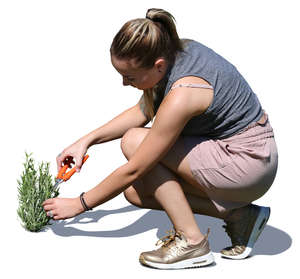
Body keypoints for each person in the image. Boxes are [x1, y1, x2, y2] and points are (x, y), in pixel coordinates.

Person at [42, 8, 278, 269]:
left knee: (134, 143)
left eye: (129, 77)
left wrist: (80, 203)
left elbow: (135, 168)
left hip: (247, 162)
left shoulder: (184, 93)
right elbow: (142, 112)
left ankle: (192, 243)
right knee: (136, 193)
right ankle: (241, 216)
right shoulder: (172, 50)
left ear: (158, 67)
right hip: (242, 156)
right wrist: (85, 141)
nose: (123, 83)